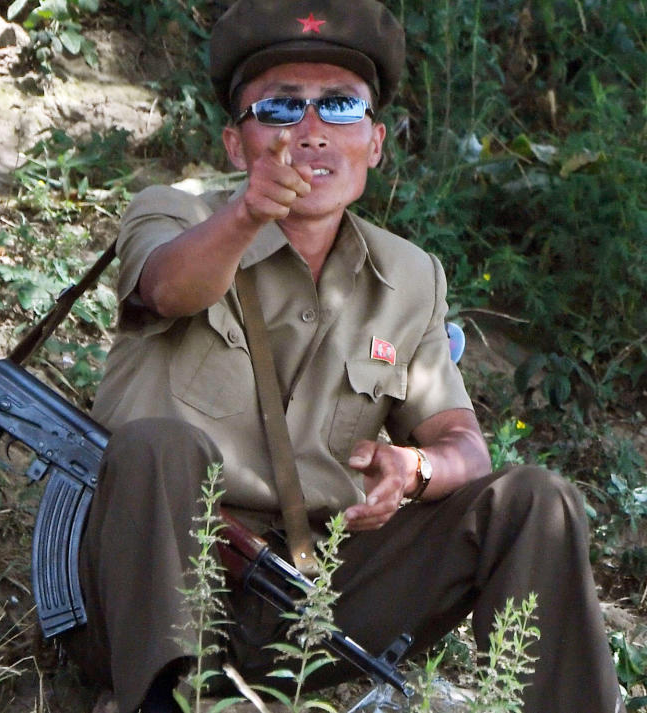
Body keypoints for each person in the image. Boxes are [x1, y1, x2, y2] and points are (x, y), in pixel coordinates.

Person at [61, 1, 626, 712]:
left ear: (376, 141)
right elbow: (170, 288)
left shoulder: (410, 275)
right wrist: (247, 215)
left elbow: (463, 444)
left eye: (339, 106)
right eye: (280, 107)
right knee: (158, 445)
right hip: (138, 585)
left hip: (301, 593)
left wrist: (416, 469)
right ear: (237, 146)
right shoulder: (175, 210)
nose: (311, 132)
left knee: (535, 502)